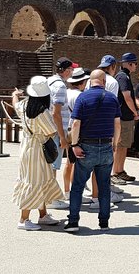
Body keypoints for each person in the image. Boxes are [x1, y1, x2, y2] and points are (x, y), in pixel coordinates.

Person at [66, 70, 121, 232]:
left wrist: (75, 144)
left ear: (90, 81)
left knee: (77, 186)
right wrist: (115, 144)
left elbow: (76, 123)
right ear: (103, 81)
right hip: (105, 146)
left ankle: (73, 222)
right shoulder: (112, 98)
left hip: (86, 146)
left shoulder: (83, 97)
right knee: (104, 186)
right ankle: (104, 222)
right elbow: (117, 124)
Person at [12, 76, 64, 230]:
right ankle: (23, 219)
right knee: (35, 181)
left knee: (37, 180)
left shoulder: (24, 105)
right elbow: (51, 131)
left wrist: (15, 94)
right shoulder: (42, 112)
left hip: (27, 146)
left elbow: (15, 105)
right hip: (38, 149)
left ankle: (43, 215)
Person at [85, 55, 124, 205]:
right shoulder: (113, 82)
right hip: (106, 124)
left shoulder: (90, 80)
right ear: (113, 66)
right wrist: (116, 134)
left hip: (89, 124)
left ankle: (94, 191)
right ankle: (104, 191)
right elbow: (111, 106)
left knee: (92, 161)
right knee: (105, 161)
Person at [46, 57, 76, 208]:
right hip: (56, 130)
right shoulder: (60, 86)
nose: (72, 71)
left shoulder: (49, 81)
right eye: (71, 69)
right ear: (65, 70)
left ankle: (49, 196)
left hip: (47, 129)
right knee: (53, 165)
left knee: (49, 165)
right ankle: (51, 199)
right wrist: (63, 137)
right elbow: (56, 113)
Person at [111, 52, 139, 185]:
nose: (136, 66)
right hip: (123, 116)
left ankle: (120, 170)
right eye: (135, 63)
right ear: (129, 64)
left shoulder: (124, 76)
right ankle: (115, 173)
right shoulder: (123, 77)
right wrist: (135, 112)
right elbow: (127, 97)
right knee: (120, 145)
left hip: (125, 116)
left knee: (124, 145)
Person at [64, 67, 90, 203]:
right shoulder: (80, 96)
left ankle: (67, 191)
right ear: (82, 82)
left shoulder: (65, 93)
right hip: (76, 130)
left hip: (66, 128)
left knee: (69, 162)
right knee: (78, 163)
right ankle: (76, 193)